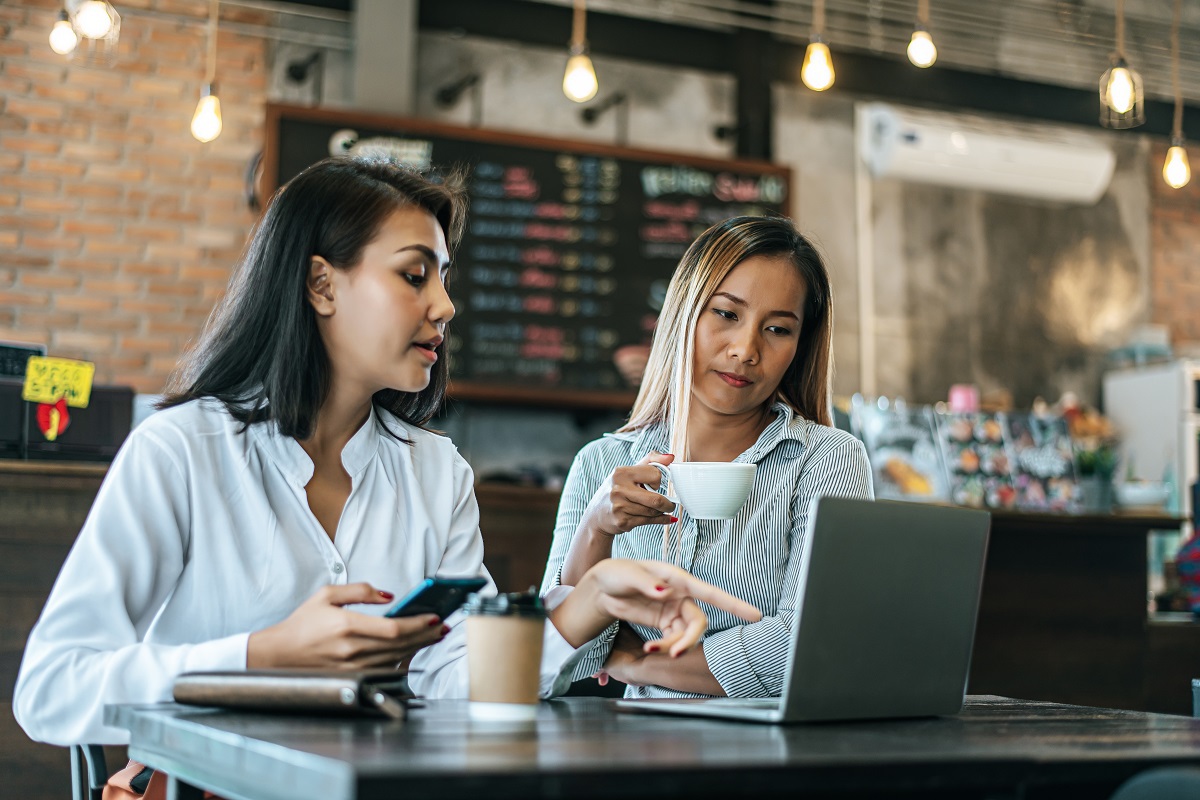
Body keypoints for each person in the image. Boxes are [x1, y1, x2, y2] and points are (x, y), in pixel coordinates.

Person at [13, 158, 761, 747]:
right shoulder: (181, 451)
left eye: (444, 278)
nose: (446, 305)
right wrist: (263, 655)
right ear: (321, 284)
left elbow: (452, 678)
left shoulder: (436, 473)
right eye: (414, 275)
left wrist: (591, 599)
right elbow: (52, 689)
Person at [541, 214, 874, 699]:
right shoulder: (600, 464)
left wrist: (641, 663)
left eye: (777, 329)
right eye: (726, 314)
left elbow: (814, 646)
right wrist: (596, 530)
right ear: (684, 313)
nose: (746, 349)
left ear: (800, 347)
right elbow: (558, 661)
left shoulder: (826, 460)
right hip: (636, 742)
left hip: (774, 744)